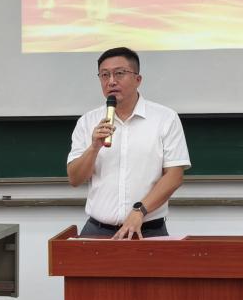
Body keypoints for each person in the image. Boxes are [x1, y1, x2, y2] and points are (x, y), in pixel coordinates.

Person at [67, 47, 190, 239]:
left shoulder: (165, 118)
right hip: (97, 231)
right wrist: (94, 147)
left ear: (138, 79)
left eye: (119, 73)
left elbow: (174, 176)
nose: (111, 81)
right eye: (104, 75)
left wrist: (140, 210)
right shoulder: (87, 121)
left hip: (148, 230)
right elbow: (75, 179)